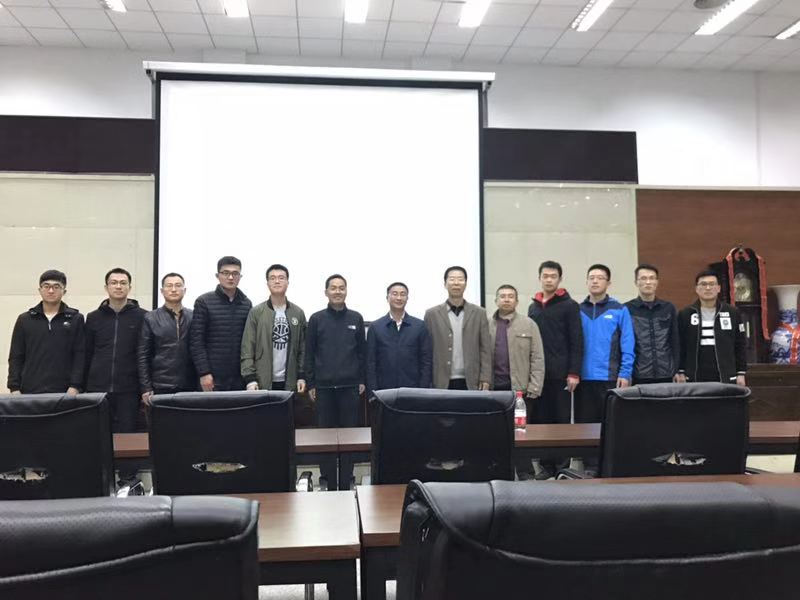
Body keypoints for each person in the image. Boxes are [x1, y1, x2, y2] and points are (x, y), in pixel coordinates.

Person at [305, 274, 366, 490]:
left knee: (350, 435)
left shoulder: (356, 318)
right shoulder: (316, 319)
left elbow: (362, 353)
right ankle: (328, 479)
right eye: (333, 288)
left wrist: (361, 380)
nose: (337, 291)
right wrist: (311, 383)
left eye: (341, 288)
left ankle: (347, 478)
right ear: (326, 292)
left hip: (350, 387)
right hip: (323, 388)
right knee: (325, 436)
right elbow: (309, 353)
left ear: (346, 291)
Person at [527, 260, 583, 479]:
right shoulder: (533, 307)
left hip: (562, 374)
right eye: (545, 276)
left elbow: (577, 340)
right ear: (539, 278)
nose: (549, 280)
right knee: (541, 420)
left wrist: (574, 372)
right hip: (538, 375)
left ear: (560, 279)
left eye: (553, 276)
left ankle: (562, 467)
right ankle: (545, 467)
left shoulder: (570, 306)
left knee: (561, 421)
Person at [489, 284, 545, 480]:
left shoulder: (529, 324)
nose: (506, 299)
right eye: (502, 296)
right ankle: (497, 473)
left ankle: (525, 473)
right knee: (494, 434)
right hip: (494, 391)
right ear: (496, 300)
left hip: (520, 390)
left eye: (510, 296)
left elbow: (537, 357)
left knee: (521, 433)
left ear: (517, 301)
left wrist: (535, 386)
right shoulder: (486, 325)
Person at [85, 267, 147, 434]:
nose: (118, 286)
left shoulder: (143, 316)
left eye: (123, 283)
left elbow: (145, 354)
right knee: (98, 435)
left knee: (127, 436)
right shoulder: (93, 317)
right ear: (106, 287)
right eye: (114, 283)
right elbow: (86, 353)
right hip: (97, 388)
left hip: (129, 389)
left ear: (129, 287)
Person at [7, 269, 85, 395]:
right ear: (40, 290)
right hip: (30, 390)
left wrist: (75, 385)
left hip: (65, 391)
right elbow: (16, 356)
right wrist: (14, 387)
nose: (51, 291)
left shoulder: (76, 319)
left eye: (56, 287)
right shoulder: (25, 319)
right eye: (46, 286)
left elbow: (80, 355)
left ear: (64, 291)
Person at [577, 264, 635, 423]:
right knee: (584, 428)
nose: (595, 281)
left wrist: (625, 373)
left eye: (600, 278)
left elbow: (628, 343)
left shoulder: (619, 309)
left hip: (610, 378)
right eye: (591, 278)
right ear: (586, 282)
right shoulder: (578, 310)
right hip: (583, 379)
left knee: (610, 424)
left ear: (608, 283)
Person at [241, 264, 307, 392]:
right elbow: (247, 347)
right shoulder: (256, 312)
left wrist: (301, 376)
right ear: (267, 283)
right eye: (272, 278)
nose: (277, 281)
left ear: (288, 282)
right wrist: (250, 378)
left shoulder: (297, 313)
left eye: (281, 278)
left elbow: (302, 348)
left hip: (290, 381)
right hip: (261, 381)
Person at [190, 256, 252, 392]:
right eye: (225, 273)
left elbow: (248, 343)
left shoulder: (246, 304)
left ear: (240, 276)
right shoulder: (204, 301)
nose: (230, 277)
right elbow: (196, 341)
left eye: (235, 273)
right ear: (217, 276)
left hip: (238, 378)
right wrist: (204, 372)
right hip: (211, 377)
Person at [424, 266, 491, 390]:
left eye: (460, 279)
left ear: (466, 284)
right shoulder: (432, 314)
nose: (456, 283)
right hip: (440, 379)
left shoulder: (479, 313)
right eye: (452, 279)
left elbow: (485, 349)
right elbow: (426, 350)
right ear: (445, 284)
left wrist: (485, 377)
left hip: (471, 379)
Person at [677, 269, 747, 385]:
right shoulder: (685, 314)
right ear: (696, 289)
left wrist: (740, 373)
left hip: (725, 374)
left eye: (712, 284)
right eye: (703, 284)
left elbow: (740, 344)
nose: (708, 288)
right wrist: (681, 371)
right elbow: (680, 344)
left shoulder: (732, 312)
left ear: (718, 288)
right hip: (694, 374)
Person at [137, 272, 195, 404]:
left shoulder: (194, 316)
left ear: (184, 290)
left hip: (189, 384)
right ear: (162, 291)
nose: (173, 289)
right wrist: (146, 387)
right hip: (160, 385)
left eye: (178, 285)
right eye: (169, 286)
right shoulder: (150, 318)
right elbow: (143, 355)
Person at [366, 282, 432, 393]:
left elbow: (426, 361)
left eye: (403, 294)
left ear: (407, 298)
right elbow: (370, 363)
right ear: (387, 298)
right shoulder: (376, 327)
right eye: (395, 294)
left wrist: (423, 390)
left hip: (413, 390)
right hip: (384, 391)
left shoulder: (419, 326)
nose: (399, 298)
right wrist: (373, 392)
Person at [625, 264, 680, 384]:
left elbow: (675, 341)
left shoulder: (668, 308)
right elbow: (624, 343)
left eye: (652, 278)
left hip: (666, 373)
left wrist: (677, 370)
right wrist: (625, 373)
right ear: (636, 282)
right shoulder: (627, 309)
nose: (648, 282)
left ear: (657, 282)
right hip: (638, 374)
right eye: (643, 278)